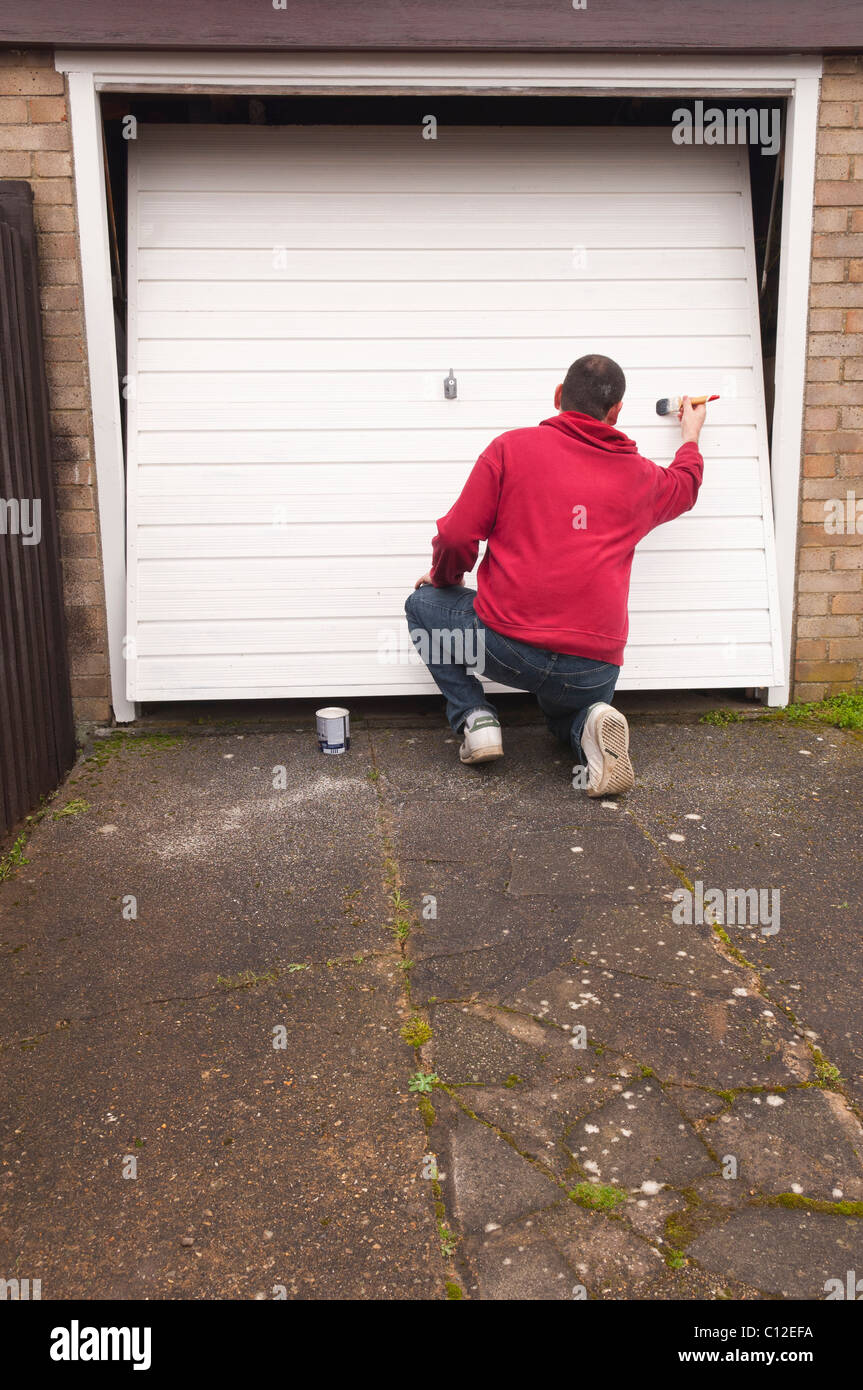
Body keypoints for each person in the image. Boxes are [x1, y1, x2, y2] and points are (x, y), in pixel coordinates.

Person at [404, 354, 706, 796]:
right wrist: (691, 435)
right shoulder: (641, 476)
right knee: (567, 716)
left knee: (422, 606)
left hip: (506, 647)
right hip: (593, 666)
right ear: (616, 411)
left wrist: (445, 579)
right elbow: (686, 485)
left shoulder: (511, 449)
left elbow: (455, 536)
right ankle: (589, 723)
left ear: (558, 397)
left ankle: (476, 719)